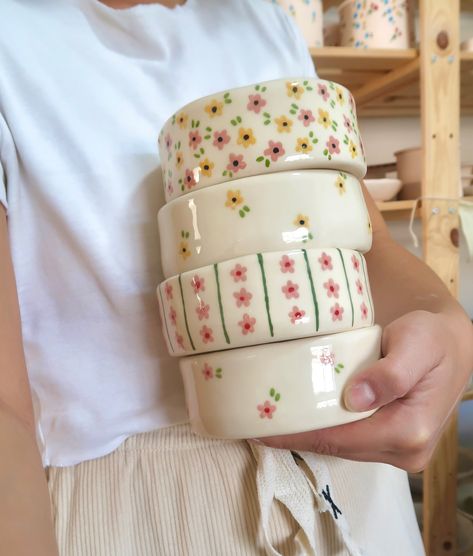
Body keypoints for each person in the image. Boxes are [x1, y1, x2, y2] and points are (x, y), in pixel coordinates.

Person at [0, 0, 472, 555]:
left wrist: (447, 322)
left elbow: (360, 247)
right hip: (146, 519)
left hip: (360, 499)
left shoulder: (261, 17)